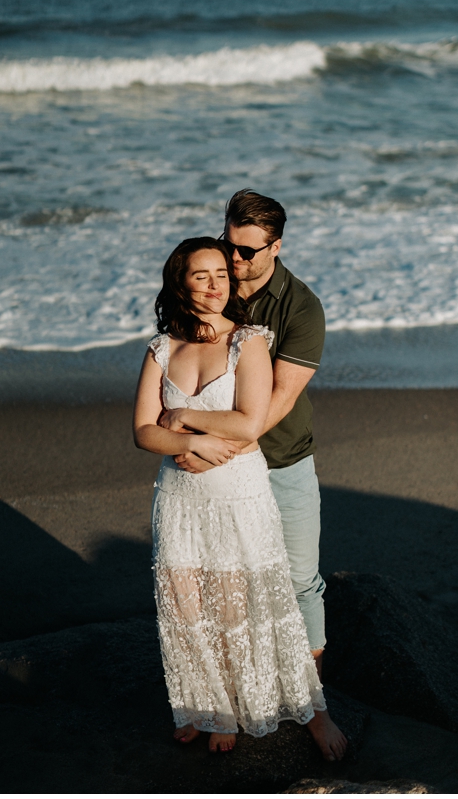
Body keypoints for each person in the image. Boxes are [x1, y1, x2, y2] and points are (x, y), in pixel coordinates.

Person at [172, 189, 347, 761]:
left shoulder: (302, 308)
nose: (235, 262)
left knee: (299, 583)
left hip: (281, 461)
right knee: (220, 586)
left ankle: (316, 707)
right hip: (214, 470)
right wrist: (182, 443)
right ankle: (227, 700)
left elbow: (274, 403)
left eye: (248, 252)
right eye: (229, 246)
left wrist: (205, 446)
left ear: (277, 245)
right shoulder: (207, 290)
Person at [133, 237, 326, 752]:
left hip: (238, 496)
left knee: (236, 608)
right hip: (177, 497)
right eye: (202, 275)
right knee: (185, 603)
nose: (217, 285)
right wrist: (191, 443)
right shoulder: (162, 347)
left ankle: (237, 711)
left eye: (222, 274)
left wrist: (184, 416)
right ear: (181, 281)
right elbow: (143, 432)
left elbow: (249, 422)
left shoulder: (250, 342)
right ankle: (202, 703)